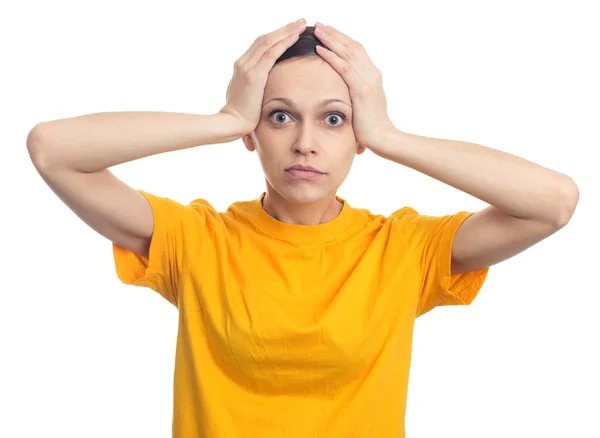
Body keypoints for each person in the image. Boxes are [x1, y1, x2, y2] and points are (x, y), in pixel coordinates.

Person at [27, 18, 579, 438]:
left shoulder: (402, 249)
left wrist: (387, 133)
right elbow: (52, 150)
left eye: (334, 118)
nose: (305, 142)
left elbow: (552, 202)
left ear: (357, 133)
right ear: (255, 132)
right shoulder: (195, 240)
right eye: (280, 115)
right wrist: (223, 120)